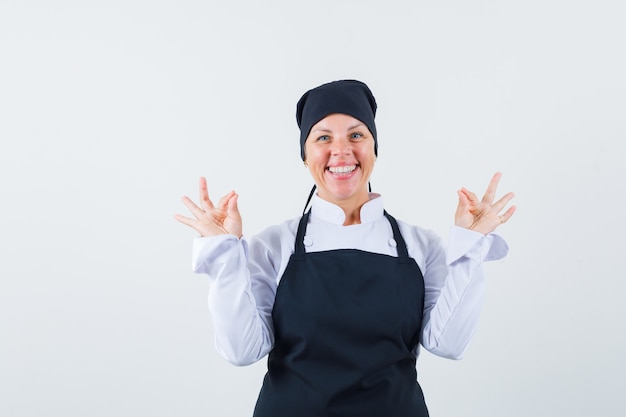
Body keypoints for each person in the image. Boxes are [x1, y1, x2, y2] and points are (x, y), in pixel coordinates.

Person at [174, 80, 516, 417]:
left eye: (356, 135)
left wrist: (470, 246)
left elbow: (449, 343)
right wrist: (222, 252)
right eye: (323, 137)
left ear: (374, 149)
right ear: (305, 156)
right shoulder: (273, 246)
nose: (341, 150)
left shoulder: (419, 246)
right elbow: (241, 350)